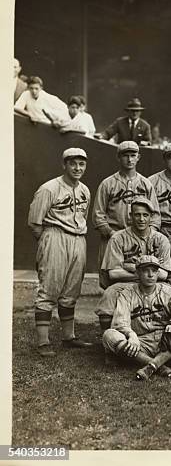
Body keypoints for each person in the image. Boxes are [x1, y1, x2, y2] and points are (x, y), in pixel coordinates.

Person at [27, 148, 93, 357]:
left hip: (78, 239)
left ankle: (69, 337)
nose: (77, 168)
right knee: (49, 288)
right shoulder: (49, 188)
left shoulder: (85, 190)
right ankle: (43, 341)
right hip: (55, 236)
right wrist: (49, 242)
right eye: (73, 163)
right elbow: (34, 222)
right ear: (64, 164)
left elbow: (83, 216)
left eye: (81, 164)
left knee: (71, 290)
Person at [102, 255, 171, 380]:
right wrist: (131, 335)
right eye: (146, 270)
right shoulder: (127, 293)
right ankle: (158, 365)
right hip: (140, 343)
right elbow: (120, 322)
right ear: (137, 273)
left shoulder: (167, 291)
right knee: (109, 335)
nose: (150, 275)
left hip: (165, 343)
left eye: (154, 271)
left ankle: (152, 365)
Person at [95, 197, 171, 331]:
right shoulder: (118, 237)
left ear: (151, 217)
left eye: (145, 215)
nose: (141, 219)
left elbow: (164, 274)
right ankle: (107, 339)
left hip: (154, 284)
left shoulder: (161, 239)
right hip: (126, 284)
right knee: (109, 294)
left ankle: (165, 336)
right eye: (137, 214)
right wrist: (146, 272)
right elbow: (114, 273)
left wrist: (131, 267)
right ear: (131, 216)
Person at [92, 140, 161, 288]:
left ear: (138, 157)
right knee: (109, 281)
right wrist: (113, 235)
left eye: (133, 155)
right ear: (118, 157)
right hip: (113, 235)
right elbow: (98, 215)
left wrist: (147, 235)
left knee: (140, 281)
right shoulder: (107, 183)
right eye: (125, 155)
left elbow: (155, 215)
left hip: (140, 239)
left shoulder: (145, 183)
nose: (129, 159)